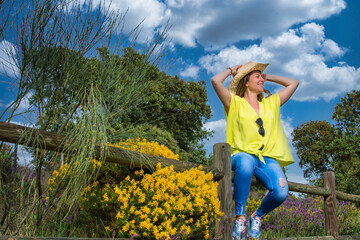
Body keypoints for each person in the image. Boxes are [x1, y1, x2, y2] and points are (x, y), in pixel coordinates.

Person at [211, 61, 299, 239]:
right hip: (240, 154)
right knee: (245, 162)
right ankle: (240, 216)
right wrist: (231, 71)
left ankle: (257, 216)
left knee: (281, 190)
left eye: (262, 77)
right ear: (246, 82)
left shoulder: (271, 103)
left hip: (265, 158)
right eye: (257, 76)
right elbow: (215, 81)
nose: (261, 80)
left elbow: (293, 83)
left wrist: (267, 76)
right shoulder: (234, 102)